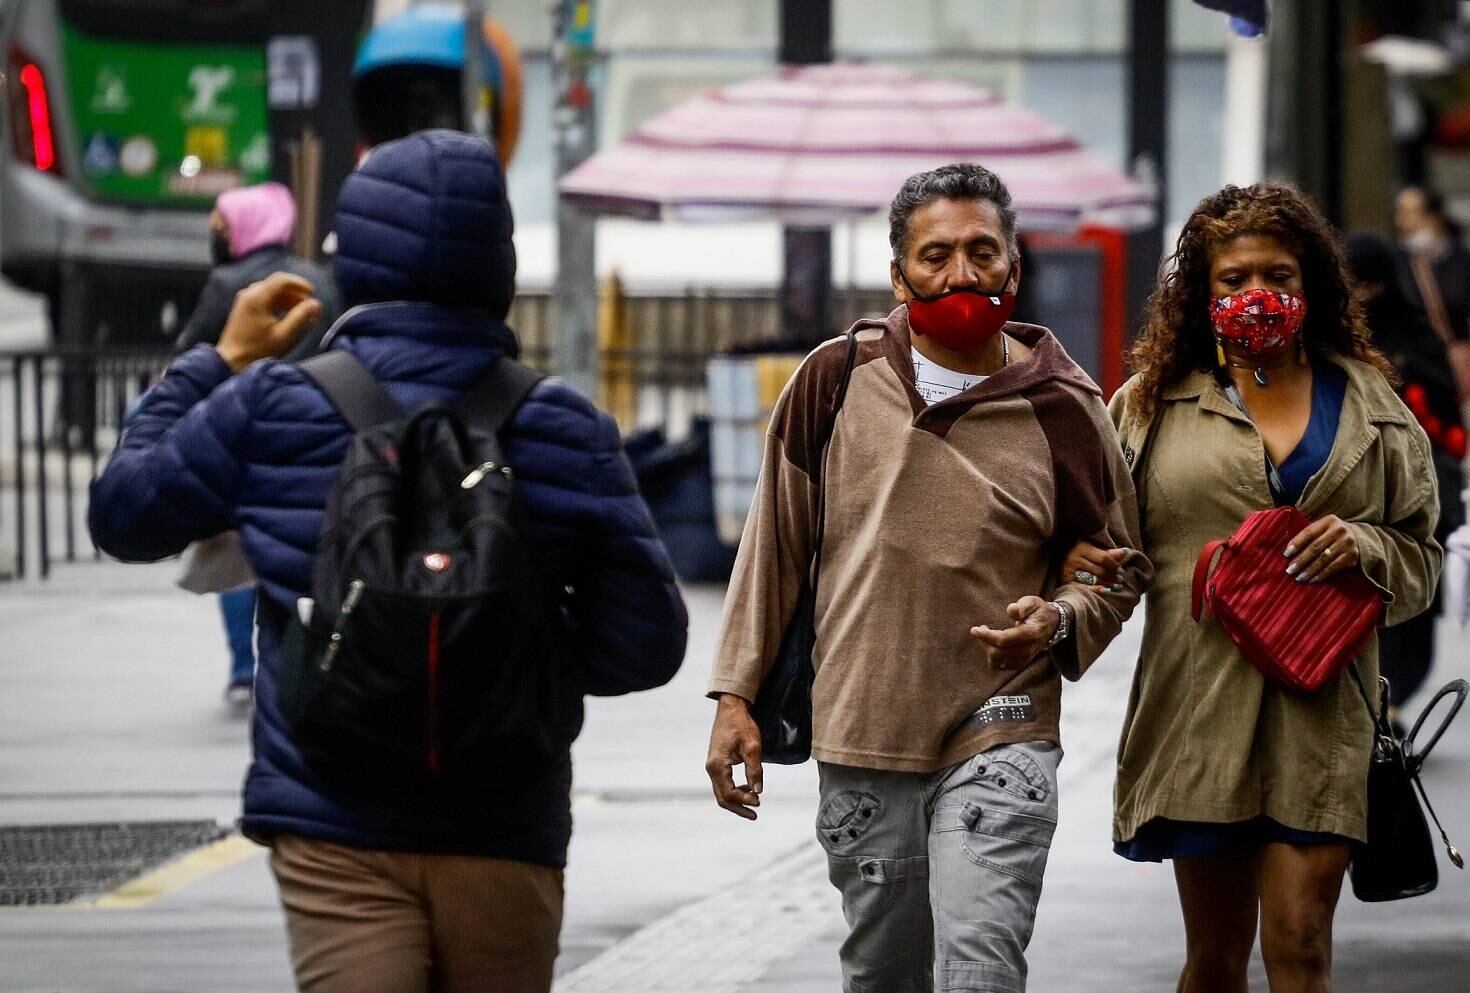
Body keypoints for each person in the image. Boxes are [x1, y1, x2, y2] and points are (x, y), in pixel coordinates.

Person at [89, 130, 689, 993]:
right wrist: (509, 659)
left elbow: (124, 514)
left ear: (355, 257)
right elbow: (646, 641)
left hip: (333, 818)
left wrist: (218, 360)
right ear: (498, 262)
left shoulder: (275, 406)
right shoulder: (562, 426)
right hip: (503, 822)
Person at [704, 162, 1152, 992]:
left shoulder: (1066, 406)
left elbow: (1118, 567)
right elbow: (773, 546)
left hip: (1002, 726)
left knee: (981, 970)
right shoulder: (834, 381)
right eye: (936, 254)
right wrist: (736, 696)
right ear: (897, 273)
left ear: (1015, 268)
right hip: (863, 729)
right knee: (884, 973)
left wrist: (1057, 619)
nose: (961, 274)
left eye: (983, 252)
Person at [1066, 184, 1441, 993]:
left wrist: (1365, 544)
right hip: (1198, 713)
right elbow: (1111, 559)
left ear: (1314, 288)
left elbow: (1421, 564)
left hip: (1326, 715)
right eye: (1232, 278)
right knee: (1214, 956)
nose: (1255, 294)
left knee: (1302, 944)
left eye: (1278, 273)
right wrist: (1059, 614)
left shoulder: (1373, 407)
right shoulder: (1148, 407)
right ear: (1201, 294)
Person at [174, 182, 343, 705]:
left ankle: (245, 667)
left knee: (234, 545)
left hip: (243, 433)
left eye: (221, 225)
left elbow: (193, 351)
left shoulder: (229, 285)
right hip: (317, 431)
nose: (217, 235)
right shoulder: (316, 279)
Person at [1348, 231, 1465, 731]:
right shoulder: (1333, 339)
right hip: (1354, 495)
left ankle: (1392, 699)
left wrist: (1409, 390)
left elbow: (1452, 432)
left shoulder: (1418, 339)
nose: (1364, 300)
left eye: (1370, 288)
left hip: (1418, 488)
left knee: (1410, 598)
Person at [175, 181, 342, 359]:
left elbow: (189, 352)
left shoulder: (226, 282)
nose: (219, 238)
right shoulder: (321, 279)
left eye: (223, 229)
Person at [1393, 185, 1470, 400]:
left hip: (1458, 362)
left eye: (1409, 212)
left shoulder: (1461, 260)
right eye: (1399, 212)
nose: (1401, 221)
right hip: (1417, 365)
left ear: (1433, 217)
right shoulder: (1399, 261)